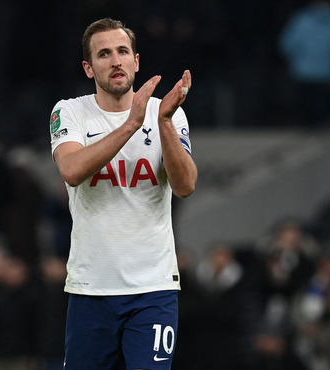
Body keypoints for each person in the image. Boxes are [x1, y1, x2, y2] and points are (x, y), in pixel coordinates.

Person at [49, 17, 197, 370]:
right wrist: (132, 123)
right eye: (103, 54)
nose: (115, 60)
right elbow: (71, 171)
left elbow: (185, 186)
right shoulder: (70, 111)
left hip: (153, 287)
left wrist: (161, 123)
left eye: (122, 51)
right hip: (91, 287)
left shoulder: (168, 114)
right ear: (89, 68)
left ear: (136, 61)